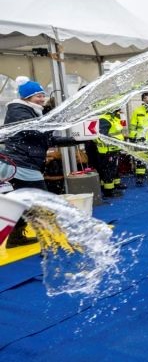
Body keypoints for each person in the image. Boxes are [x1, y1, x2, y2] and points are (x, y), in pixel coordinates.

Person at [0, 77, 81, 247]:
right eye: (38, 96)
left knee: (21, 202)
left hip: (20, 163)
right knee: (42, 201)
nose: (42, 98)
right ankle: (51, 238)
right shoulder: (18, 110)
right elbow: (37, 133)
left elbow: (45, 139)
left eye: (42, 94)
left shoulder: (32, 112)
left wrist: (74, 139)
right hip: (22, 164)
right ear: (26, 98)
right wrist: (54, 121)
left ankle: (16, 237)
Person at [128, 92, 148, 185]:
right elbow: (133, 125)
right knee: (140, 158)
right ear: (142, 99)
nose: (147, 99)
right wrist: (132, 137)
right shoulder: (137, 111)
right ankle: (140, 178)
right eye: (145, 98)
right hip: (140, 137)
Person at [94, 108, 126, 197]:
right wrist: (116, 141)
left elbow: (120, 128)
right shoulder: (104, 119)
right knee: (108, 171)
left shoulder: (113, 118)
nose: (120, 109)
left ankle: (114, 186)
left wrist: (121, 116)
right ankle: (109, 191)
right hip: (107, 150)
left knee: (113, 169)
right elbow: (103, 136)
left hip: (114, 149)